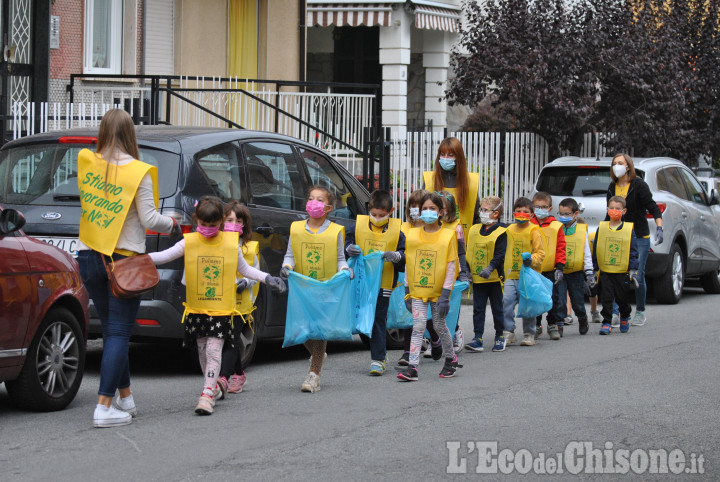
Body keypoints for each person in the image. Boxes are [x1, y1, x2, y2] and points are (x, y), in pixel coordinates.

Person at [76, 109, 181, 428]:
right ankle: (103, 406)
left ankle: (125, 397)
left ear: (103, 132)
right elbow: (150, 220)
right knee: (120, 332)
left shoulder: (87, 161)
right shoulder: (139, 171)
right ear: (131, 135)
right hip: (123, 261)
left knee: (110, 330)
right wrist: (173, 223)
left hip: (89, 256)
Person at [148, 196, 286, 414]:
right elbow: (164, 256)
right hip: (198, 307)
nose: (208, 229)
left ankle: (206, 395)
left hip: (221, 308)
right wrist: (136, 257)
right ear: (196, 220)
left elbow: (247, 269)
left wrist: (268, 278)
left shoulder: (230, 244)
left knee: (214, 350)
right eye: (203, 225)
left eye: (213, 226)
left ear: (220, 222)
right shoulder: (189, 241)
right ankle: (210, 387)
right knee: (203, 351)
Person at [279, 185, 354, 393]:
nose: (314, 203)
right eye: (311, 198)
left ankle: (314, 375)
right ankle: (319, 354)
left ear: (329, 208)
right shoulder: (296, 228)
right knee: (301, 330)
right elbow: (290, 255)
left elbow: (340, 258)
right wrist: (286, 267)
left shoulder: (335, 231)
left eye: (320, 200)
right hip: (302, 290)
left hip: (325, 289)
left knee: (320, 331)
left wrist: (346, 269)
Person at [423, 137, 481, 350]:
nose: (446, 159)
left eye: (451, 155)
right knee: (432, 292)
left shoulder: (471, 183)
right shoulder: (430, 181)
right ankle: (435, 337)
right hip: (433, 243)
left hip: (459, 245)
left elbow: (475, 217)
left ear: (459, 157)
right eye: (443, 155)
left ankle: (454, 330)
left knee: (452, 294)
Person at [397, 191, 460, 381]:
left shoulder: (448, 236)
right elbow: (409, 262)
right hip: (417, 291)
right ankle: (413, 367)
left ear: (441, 212)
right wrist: (408, 290)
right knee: (418, 326)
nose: (428, 212)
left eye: (432, 208)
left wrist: (446, 294)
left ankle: (451, 358)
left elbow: (451, 265)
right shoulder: (413, 235)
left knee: (440, 326)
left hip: (439, 292)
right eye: (424, 208)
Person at [345, 189, 406, 376]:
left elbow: (405, 255)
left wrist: (396, 256)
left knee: (378, 318)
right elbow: (346, 244)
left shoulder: (398, 233)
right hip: (362, 282)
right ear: (369, 210)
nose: (377, 218)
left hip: (384, 283)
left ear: (391, 212)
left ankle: (378, 359)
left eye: (382, 215)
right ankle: (378, 355)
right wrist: (350, 248)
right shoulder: (358, 227)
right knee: (364, 315)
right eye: (374, 214)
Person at [606, 153, 663, 327]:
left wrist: (659, 227)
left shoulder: (638, 185)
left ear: (628, 167)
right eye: (615, 163)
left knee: (637, 274)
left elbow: (652, 207)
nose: (617, 166)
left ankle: (640, 311)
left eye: (620, 163)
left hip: (638, 235)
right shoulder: (612, 186)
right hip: (618, 235)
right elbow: (609, 212)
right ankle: (616, 312)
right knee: (616, 273)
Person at [216, 201, 257, 396]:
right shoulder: (217, 244)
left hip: (241, 305)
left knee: (231, 339)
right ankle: (239, 373)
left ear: (244, 225)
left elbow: (255, 273)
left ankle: (222, 378)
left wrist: (246, 283)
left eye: (238, 221)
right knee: (225, 339)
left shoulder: (249, 248)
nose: (234, 224)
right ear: (222, 222)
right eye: (229, 220)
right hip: (221, 302)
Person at [398, 189, 438, 366]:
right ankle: (408, 351)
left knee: (426, 316)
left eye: (418, 206)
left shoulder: (429, 229)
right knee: (409, 314)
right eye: (412, 206)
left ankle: (435, 339)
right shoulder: (403, 228)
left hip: (426, 275)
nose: (415, 210)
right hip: (407, 276)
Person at [464, 196, 507, 352]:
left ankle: (500, 336)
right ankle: (478, 338)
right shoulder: (475, 229)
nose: (481, 212)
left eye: (484, 210)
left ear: (496, 213)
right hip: (477, 278)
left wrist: (490, 268)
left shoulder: (502, 231)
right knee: (478, 308)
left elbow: (500, 254)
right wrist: (467, 270)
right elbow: (469, 251)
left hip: (495, 278)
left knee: (497, 308)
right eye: (481, 209)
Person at [501, 197, 545, 347]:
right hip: (510, 275)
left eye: (525, 212)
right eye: (518, 211)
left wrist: (531, 260)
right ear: (513, 213)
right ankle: (508, 331)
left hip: (527, 276)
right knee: (506, 301)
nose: (521, 214)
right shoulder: (508, 230)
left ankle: (529, 333)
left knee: (527, 306)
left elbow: (540, 253)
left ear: (532, 215)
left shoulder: (534, 230)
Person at [592, 196, 639, 334]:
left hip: (621, 270)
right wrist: (595, 268)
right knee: (606, 297)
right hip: (606, 270)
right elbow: (597, 248)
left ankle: (625, 315)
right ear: (607, 210)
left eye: (617, 209)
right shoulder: (602, 228)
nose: (614, 211)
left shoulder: (628, 229)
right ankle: (606, 322)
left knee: (622, 297)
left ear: (624, 211)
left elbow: (633, 250)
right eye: (611, 208)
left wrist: (633, 267)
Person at [437, 189, 473, 353]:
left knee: (451, 305)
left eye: (443, 207)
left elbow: (461, 251)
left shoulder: (455, 226)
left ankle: (456, 330)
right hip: (436, 270)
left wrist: (464, 274)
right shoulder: (433, 224)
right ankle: (437, 337)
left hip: (453, 271)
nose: (440, 211)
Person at [556, 198, 594, 335]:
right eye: (560, 213)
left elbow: (586, 253)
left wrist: (589, 272)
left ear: (575, 213)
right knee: (560, 299)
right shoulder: (556, 228)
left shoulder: (581, 230)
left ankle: (582, 318)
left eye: (567, 214)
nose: (563, 217)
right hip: (559, 271)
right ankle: (559, 324)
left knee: (577, 300)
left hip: (576, 272)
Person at [531, 192, 566, 340]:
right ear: (533, 207)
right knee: (536, 298)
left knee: (553, 298)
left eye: (544, 207)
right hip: (534, 269)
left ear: (550, 208)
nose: (540, 209)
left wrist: (560, 267)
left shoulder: (556, 226)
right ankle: (537, 324)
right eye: (537, 207)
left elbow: (561, 247)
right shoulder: (528, 224)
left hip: (551, 269)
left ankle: (552, 324)